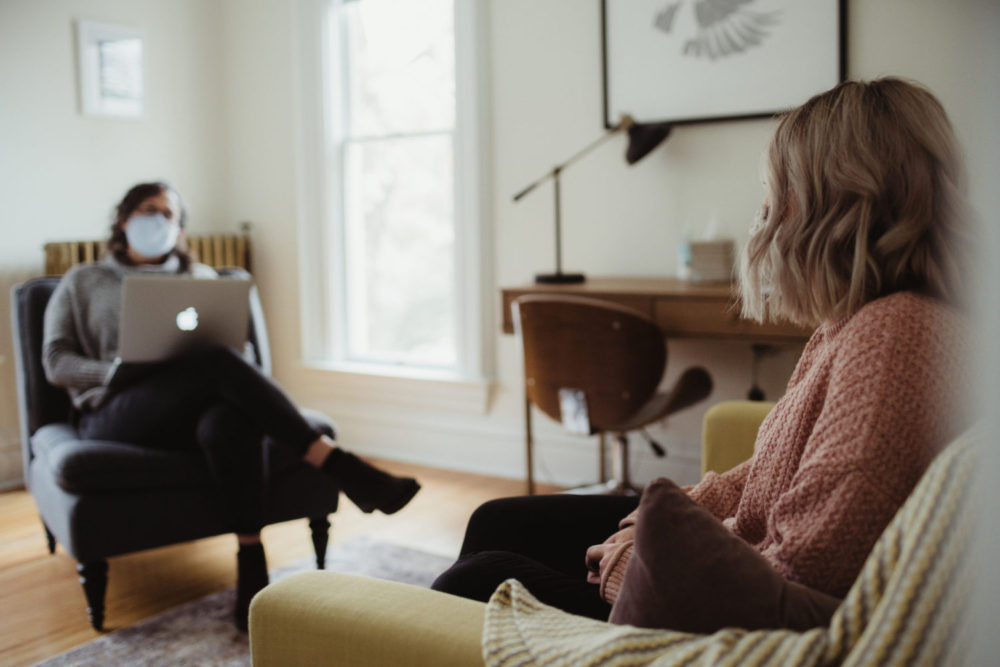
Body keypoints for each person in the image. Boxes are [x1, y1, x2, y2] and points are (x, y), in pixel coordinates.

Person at [432, 77, 971, 623]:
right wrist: (689, 509)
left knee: (475, 577)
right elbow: (772, 471)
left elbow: (801, 575)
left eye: (777, 187)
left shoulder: (894, 338)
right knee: (496, 521)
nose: (763, 210)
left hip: (735, 615)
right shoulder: (858, 320)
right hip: (740, 551)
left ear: (835, 201)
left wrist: (635, 565)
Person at [42, 181, 421, 631]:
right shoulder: (83, 280)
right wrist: (111, 372)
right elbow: (55, 360)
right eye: (148, 210)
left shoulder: (202, 279)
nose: (158, 220)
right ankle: (340, 466)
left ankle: (251, 567)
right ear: (123, 219)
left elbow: (241, 357)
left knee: (228, 419)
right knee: (217, 365)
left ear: (180, 228)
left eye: (170, 214)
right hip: (116, 411)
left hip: (193, 411)